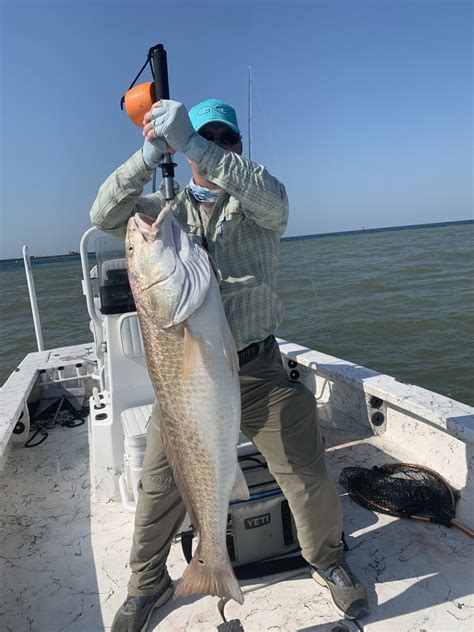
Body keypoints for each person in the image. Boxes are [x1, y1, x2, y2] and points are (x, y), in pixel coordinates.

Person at [90, 98, 369, 631]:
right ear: (181, 148)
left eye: (226, 138)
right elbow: (104, 215)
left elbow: (275, 200)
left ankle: (328, 559)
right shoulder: (165, 211)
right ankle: (148, 583)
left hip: (259, 369)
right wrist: (149, 154)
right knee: (158, 481)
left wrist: (193, 145)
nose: (218, 145)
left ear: (238, 146)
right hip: (188, 379)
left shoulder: (258, 201)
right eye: (204, 137)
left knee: (305, 467)